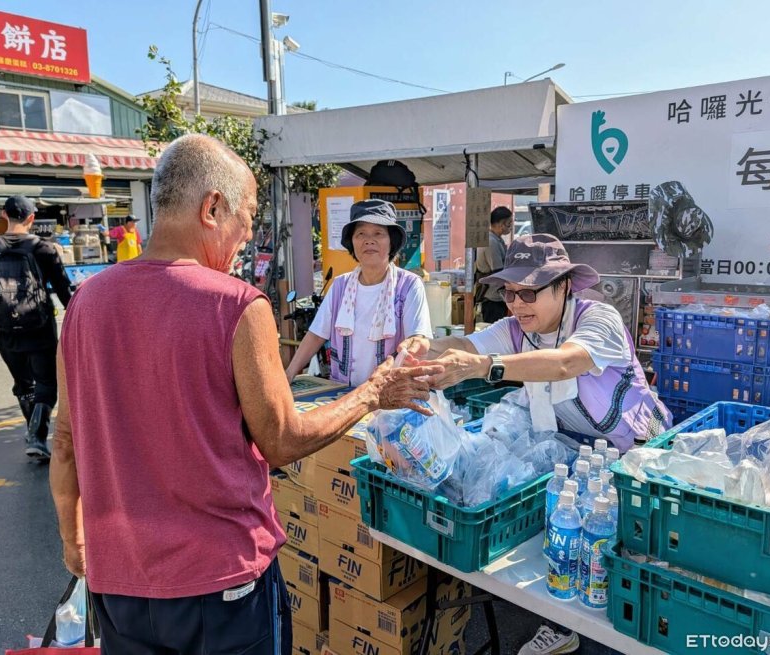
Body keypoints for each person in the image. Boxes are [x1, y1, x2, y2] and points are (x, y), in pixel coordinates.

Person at [49, 134, 441, 655]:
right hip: (222, 583)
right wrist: (372, 394)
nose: (250, 233)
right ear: (212, 208)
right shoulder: (236, 304)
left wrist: (73, 538)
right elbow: (283, 440)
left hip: (118, 580)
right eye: (249, 216)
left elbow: (65, 441)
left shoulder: (85, 302)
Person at [409, 233, 672, 655]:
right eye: (510, 293)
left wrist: (485, 367)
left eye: (529, 292)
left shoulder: (598, 318)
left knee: (629, 553)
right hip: (578, 453)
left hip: (634, 453)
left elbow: (565, 362)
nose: (517, 304)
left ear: (563, 286)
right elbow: (464, 345)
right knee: (570, 544)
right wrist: (426, 345)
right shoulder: (516, 330)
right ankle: (562, 626)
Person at [0, 195, 72, 461]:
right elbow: (64, 291)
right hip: (40, 328)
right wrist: (77, 322)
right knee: (46, 383)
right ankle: (37, 435)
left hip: (5, 329)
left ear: (4, 215)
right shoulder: (44, 249)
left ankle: (32, 433)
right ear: (31, 218)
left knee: (24, 383)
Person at [284, 198, 432, 385]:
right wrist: (288, 374)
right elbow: (316, 335)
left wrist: (415, 345)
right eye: (361, 234)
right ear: (352, 242)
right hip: (345, 393)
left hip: (391, 393)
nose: (369, 240)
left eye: (378, 233)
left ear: (391, 242)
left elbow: (419, 337)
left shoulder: (409, 285)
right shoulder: (340, 286)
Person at [476, 206, 513, 323]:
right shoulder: (491, 242)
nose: (511, 227)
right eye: (509, 223)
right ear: (501, 224)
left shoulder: (497, 239)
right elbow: (498, 271)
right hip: (492, 297)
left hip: (497, 296)